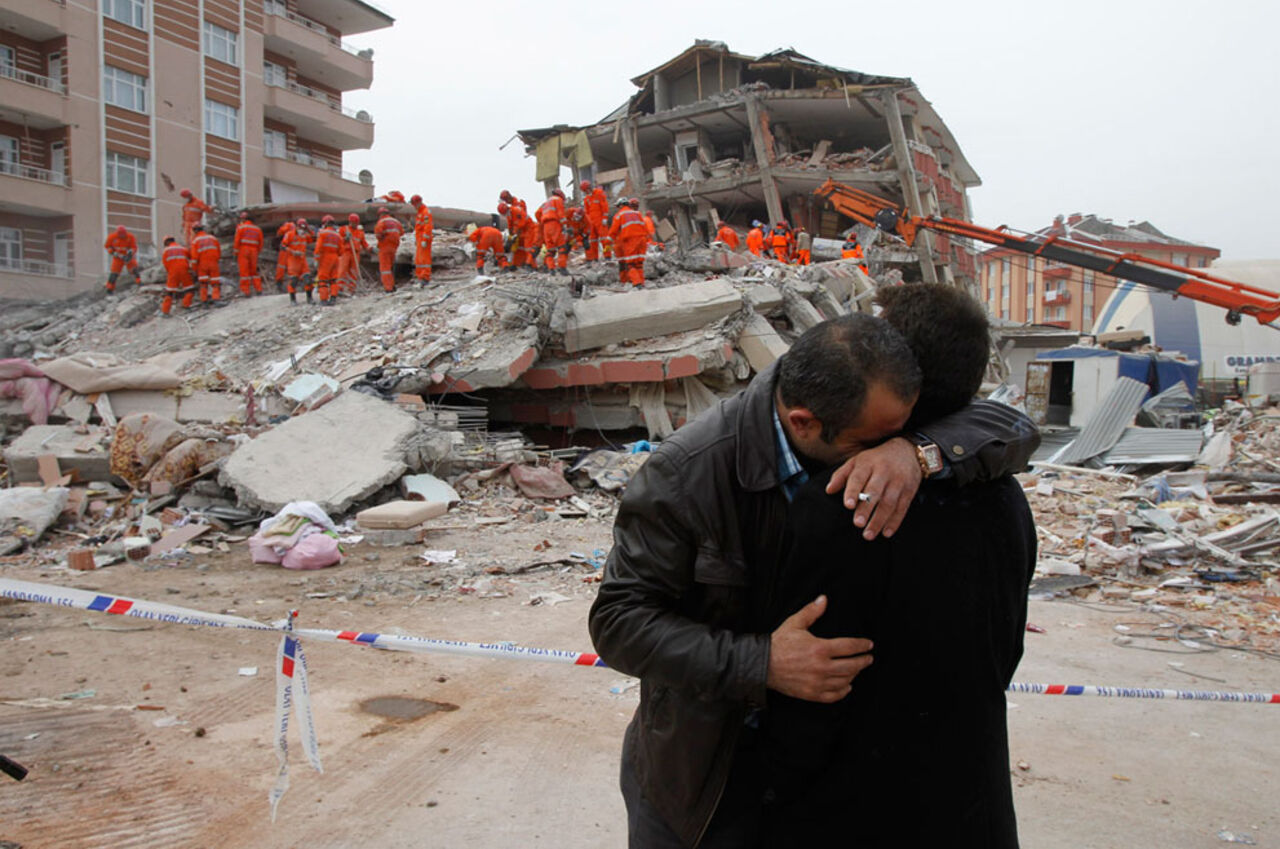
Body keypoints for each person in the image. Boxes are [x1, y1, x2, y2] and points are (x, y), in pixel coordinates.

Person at [588, 312, 1040, 848]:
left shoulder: (864, 409)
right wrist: (763, 661)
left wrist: (917, 453)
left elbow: (1008, 425)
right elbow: (617, 622)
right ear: (803, 422)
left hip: (807, 785)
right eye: (873, 442)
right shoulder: (688, 474)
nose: (879, 459)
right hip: (704, 773)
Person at [763, 284, 1033, 847]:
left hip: (858, 809)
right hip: (974, 801)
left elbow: (813, 686)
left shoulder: (842, 503)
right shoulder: (1006, 496)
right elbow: (1005, 648)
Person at [609, 198, 649, 287]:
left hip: (630, 240)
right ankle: (641, 282)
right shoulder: (637, 213)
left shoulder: (620, 215)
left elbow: (613, 230)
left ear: (621, 205)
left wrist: (608, 240)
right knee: (639, 263)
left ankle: (637, 283)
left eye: (618, 206)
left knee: (630, 264)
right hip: (642, 240)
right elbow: (645, 228)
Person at [159, 236, 195, 316]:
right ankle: (186, 305)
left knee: (170, 292)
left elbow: (165, 264)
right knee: (190, 289)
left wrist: (170, 272)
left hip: (173, 272)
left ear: (167, 242)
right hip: (184, 271)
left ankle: (165, 311)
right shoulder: (183, 249)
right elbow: (191, 257)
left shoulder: (166, 251)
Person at [537, 188, 568, 275]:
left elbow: (537, 213)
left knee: (550, 249)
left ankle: (551, 269)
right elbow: (561, 214)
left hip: (545, 226)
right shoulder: (558, 200)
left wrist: (541, 222)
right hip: (554, 224)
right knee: (562, 247)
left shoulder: (546, 203)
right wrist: (564, 225)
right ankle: (562, 268)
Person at [189, 224, 222, 304]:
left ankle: (204, 301)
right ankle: (216, 299)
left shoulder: (195, 241)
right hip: (213, 263)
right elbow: (218, 252)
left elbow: (194, 258)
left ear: (195, 230)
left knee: (203, 283)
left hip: (202, 265)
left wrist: (194, 269)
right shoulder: (213, 238)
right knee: (215, 283)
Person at [282, 218, 312, 305]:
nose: (301, 231)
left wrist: (308, 229)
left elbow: (314, 238)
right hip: (293, 261)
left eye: (303, 229)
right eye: (301, 228)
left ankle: (309, 298)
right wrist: (292, 251)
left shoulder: (305, 235)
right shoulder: (289, 234)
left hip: (302, 260)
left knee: (308, 279)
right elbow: (283, 246)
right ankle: (293, 299)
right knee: (294, 280)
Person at [314, 215, 343, 305]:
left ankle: (324, 300)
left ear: (325, 223)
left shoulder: (322, 234)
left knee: (323, 279)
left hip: (325, 258)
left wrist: (316, 259)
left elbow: (318, 248)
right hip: (335, 258)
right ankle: (333, 298)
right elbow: (341, 251)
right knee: (334, 279)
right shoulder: (338, 235)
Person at [337, 213, 368, 295]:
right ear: (350, 221)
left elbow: (364, 244)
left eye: (356, 223)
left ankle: (351, 289)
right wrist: (345, 239)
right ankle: (340, 289)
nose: (354, 224)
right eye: (353, 222)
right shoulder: (344, 229)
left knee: (354, 272)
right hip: (346, 252)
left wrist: (370, 249)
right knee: (342, 270)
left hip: (356, 253)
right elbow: (338, 241)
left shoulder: (360, 232)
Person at [373, 206, 403, 292]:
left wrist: (381, 239)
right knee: (390, 267)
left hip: (385, 246)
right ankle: (393, 286)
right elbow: (401, 232)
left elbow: (378, 232)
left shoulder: (381, 221)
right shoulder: (396, 221)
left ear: (381, 214)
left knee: (385, 269)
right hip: (394, 247)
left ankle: (388, 288)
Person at [234, 212, 264, 297]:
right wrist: (257, 251)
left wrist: (235, 252)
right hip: (254, 251)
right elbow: (261, 242)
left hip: (243, 250)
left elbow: (237, 241)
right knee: (254, 272)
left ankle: (246, 291)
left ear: (243, 219)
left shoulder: (241, 227)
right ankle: (259, 290)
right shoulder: (257, 229)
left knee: (244, 272)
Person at [102, 225, 138, 293]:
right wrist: (113, 253)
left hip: (128, 256)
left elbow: (134, 247)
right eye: (120, 234)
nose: (122, 236)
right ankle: (109, 288)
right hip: (117, 257)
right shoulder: (112, 237)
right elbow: (107, 246)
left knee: (134, 269)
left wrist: (130, 253)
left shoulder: (130, 237)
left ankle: (138, 282)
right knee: (114, 273)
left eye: (123, 234)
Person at [582, 179, 610, 262]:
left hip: (600, 220)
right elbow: (586, 212)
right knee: (592, 241)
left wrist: (605, 218)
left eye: (586, 190)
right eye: (584, 191)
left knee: (605, 239)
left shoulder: (599, 193)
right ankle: (595, 258)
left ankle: (608, 256)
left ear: (589, 188)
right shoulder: (586, 198)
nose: (586, 192)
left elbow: (605, 206)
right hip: (591, 222)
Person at [410, 194, 433, 285]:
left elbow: (428, 227)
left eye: (414, 204)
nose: (414, 207)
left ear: (418, 203)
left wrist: (424, 239)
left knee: (424, 259)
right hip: (420, 238)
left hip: (424, 239)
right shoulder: (420, 213)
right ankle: (420, 276)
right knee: (419, 259)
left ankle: (425, 277)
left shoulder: (425, 212)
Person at [273, 219, 295, 292]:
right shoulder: (294, 228)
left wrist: (278, 234)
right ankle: (293, 284)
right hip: (292, 249)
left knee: (281, 266)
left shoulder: (287, 226)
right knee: (292, 267)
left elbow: (279, 233)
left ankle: (279, 283)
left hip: (285, 249)